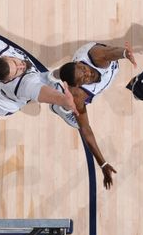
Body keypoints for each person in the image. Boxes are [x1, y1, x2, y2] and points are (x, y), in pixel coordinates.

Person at [51, 42, 137, 189]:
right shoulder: (78, 94)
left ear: (80, 63)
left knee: (102, 58)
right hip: (79, 88)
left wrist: (124, 53)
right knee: (71, 103)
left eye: (84, 69)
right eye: (84, 78)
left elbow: (110, 51)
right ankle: (61, 105)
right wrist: (102, 163)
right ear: (78, 85)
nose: (89, 73)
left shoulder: (96, 57)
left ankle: (54, 76)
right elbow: (86, 129)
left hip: (105, 60)